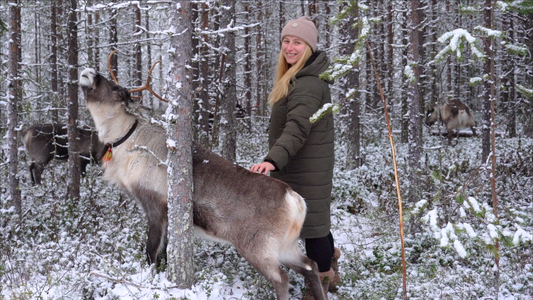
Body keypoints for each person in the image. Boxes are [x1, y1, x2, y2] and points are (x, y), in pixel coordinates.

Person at [250, 16, 340, 298]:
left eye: (297, 42)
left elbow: (297, 127)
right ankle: (330, 265)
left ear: (309, 47)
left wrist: (274, 159)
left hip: (304, 166)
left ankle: (321, 284)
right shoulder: (299, 76)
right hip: (301, 164)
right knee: (316, 222)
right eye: (286, 41)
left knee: (312, 228)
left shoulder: (308, 84)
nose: (290, 48)